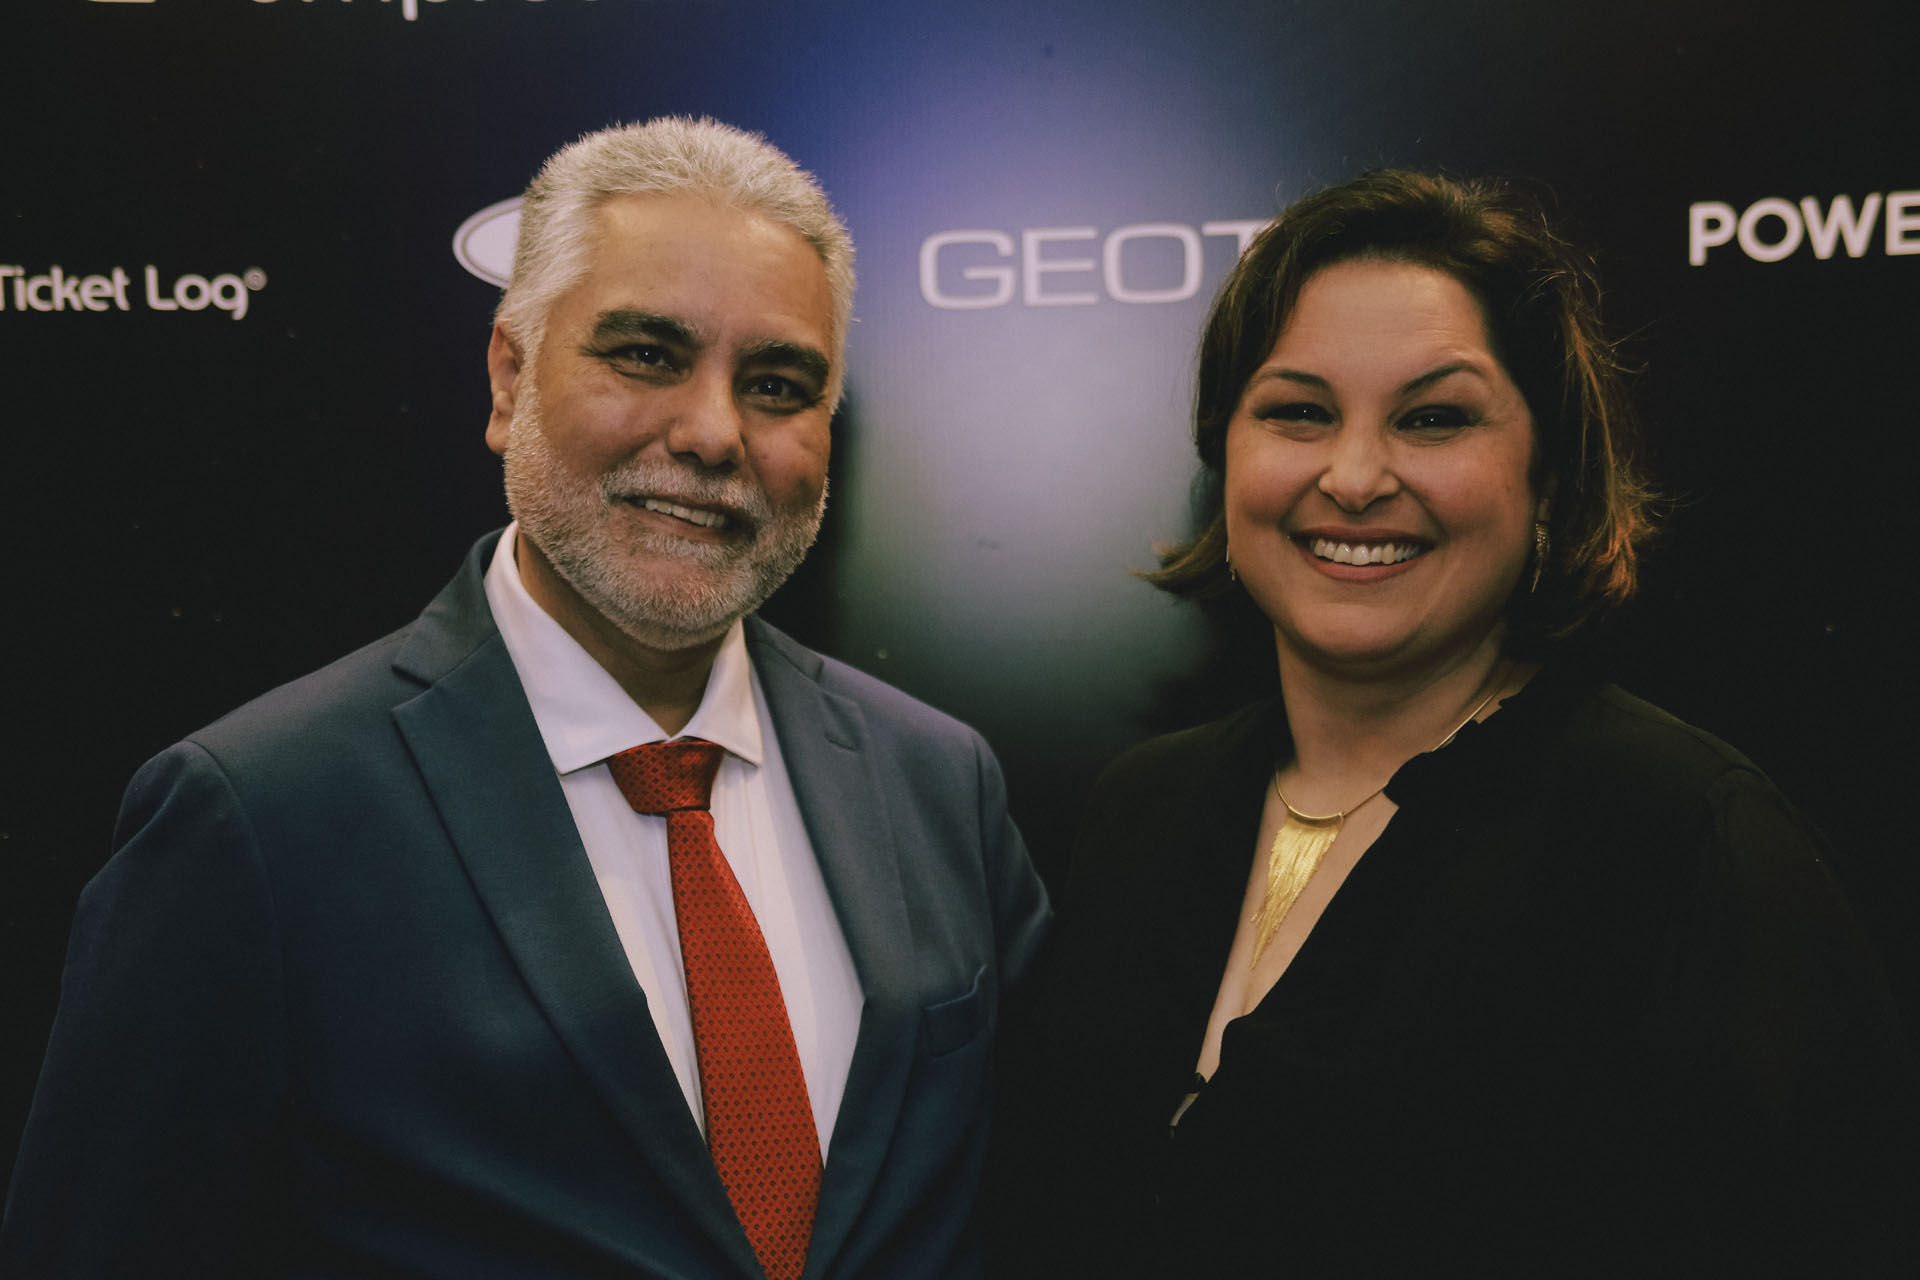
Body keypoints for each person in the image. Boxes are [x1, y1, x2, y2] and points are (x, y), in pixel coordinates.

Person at [3, 117, 1048, 1279]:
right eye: (646, 354)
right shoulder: (256, 817)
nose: (713, 432)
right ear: (511, 376)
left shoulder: (936, 781)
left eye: (776, 384)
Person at [988, 171, 1916, 1275]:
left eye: (1434, 418)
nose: (1355, 476)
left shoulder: (1679, 838)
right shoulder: (1141, 806)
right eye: (1298, 412)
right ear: (1223, 454)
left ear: (1547, 476)